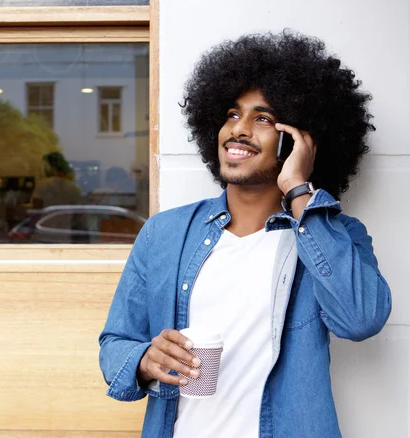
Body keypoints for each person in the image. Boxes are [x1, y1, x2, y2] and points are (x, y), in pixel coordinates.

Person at [98, 30, 392, 438]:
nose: (238, 129)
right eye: (232, 114)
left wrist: (298, 188)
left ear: (299, 140)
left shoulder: (333, 235)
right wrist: (145, 359)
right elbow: (114, 344)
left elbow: (360, 319)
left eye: (264, 118)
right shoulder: (164, 233)